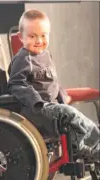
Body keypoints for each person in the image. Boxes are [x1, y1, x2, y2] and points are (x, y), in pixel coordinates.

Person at [7, 9, 100, 162]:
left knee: (73, 116)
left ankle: (88, 146)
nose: (39, 40)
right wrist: (37, 102)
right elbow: (16, 84)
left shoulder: (46, 55)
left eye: (43, 35)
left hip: (51, 107)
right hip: (36, 111)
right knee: (70, 114)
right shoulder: (23, 59)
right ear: (21, 38)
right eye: (32, 36)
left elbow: (53, 82)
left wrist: (63, 97)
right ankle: (91, 148)